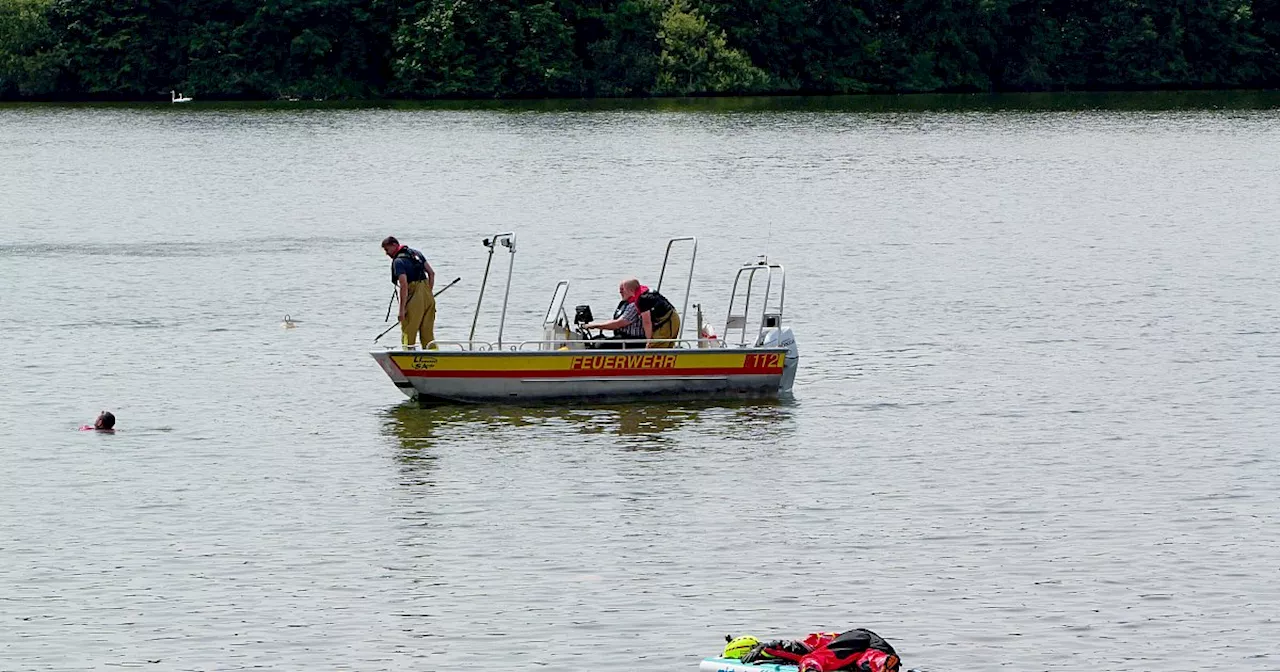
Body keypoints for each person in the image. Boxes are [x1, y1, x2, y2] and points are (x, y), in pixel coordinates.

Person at [382, 236, 437, 349]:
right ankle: (433, 356)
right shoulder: (417, 253)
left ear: (394, 245)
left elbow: (404, 285)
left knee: (408, 330)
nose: (386, 254)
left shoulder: (398, 261)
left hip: (414, 298)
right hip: (428, 297)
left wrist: (401, 310)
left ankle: (408, 355)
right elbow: (431, 273)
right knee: (427, 332)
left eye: (387, 250)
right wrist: (428, 293)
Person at [581, 279, 647, 348]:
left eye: (622, 289)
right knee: (595, 339)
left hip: (633, 340)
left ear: (631, 290)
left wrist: (595, 326)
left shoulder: (634, 305)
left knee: (599, 345)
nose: (620, 292)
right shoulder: (626, 303)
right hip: (624, 337)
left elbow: (618, 324)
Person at [631, 279, 680, 348]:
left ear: (630, 290)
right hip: (672, 317)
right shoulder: (646, 292)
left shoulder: (642, 299)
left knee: (653, 347)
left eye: (623, 290)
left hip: (667, 320)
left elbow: (647, 322)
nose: (620, 292)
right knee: (666, 346)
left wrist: (649, 340)